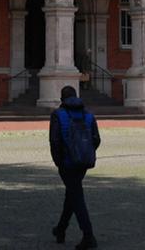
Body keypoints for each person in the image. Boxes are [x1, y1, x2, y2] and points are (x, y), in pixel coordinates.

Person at [49, 85, 100, 249]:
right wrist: (85, 153)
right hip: (83, 162)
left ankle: (88, 235)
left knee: (76, 196)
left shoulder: (58, 114)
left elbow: (55, 141)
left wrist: (58, 161)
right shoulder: (88, 115)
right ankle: (60, 229)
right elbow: (96, 139)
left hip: (66, 162)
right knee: (72, 194)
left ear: (61, 99)